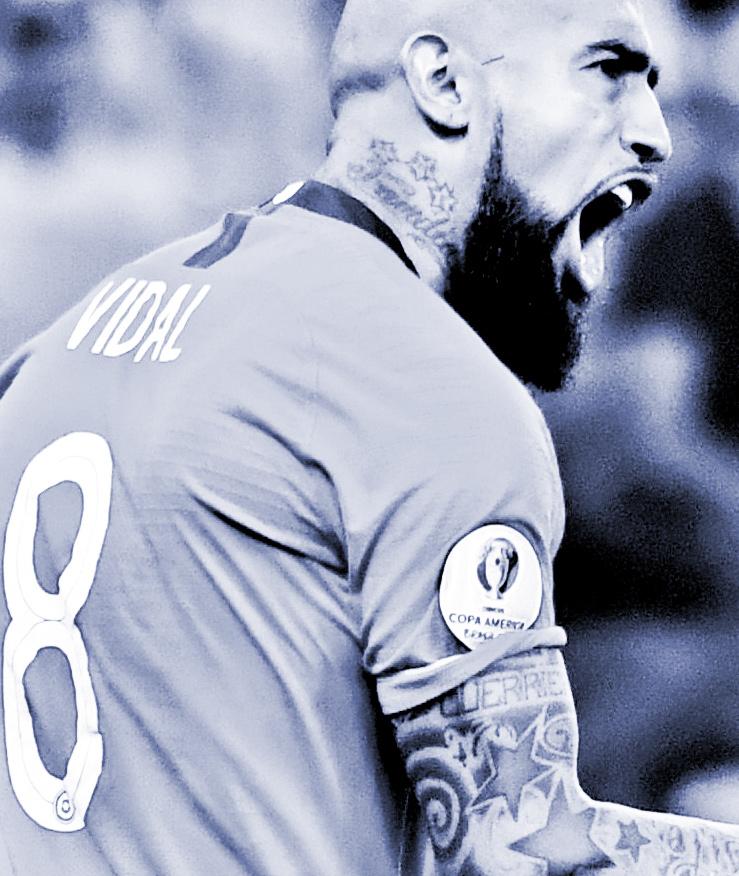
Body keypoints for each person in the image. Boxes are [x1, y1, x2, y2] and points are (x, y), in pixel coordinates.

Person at [0, 0, 736, 874]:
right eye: (605, 73)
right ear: (445, 82)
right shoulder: (426, 387)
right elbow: (521, 848)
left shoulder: (70, 341)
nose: (653, 133)